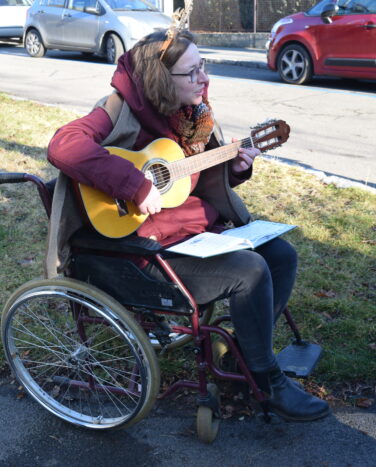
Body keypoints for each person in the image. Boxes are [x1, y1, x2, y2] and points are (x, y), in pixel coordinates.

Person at [45, 29, 330, 422]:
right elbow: (64, 145)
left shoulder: (193, 117)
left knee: (280, 254)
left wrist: (234, 167)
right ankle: (266, 380)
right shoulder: (119, 108)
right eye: (192, 71)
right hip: (142, 251)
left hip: (191, 235)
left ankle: (243, 361)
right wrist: (133, 184)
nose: (204, 78)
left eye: (203, 66)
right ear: (162, 79)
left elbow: (193, 182)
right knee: (249, 270)